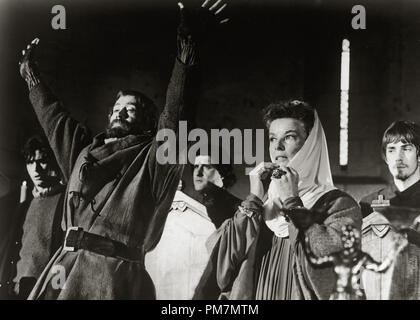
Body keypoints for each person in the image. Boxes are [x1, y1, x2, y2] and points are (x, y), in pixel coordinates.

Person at [18, 0, 229, 300]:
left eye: (129, 110)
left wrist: (187, 47)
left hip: (115, 281)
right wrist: (32, 78)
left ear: (146, 122)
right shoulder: (83, 152)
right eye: (116, 109)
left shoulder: (153, 160)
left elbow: (177, 113)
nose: (119, 114)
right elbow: (55, 120)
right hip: (62, 274)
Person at [195, 100, 362, 300]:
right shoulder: (263, 203)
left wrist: (292, 202)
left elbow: (331, 268)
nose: (278, 147)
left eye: (289, 137)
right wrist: (254, 198)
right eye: (273, 139)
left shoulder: (339, 204)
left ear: (310, 144)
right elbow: (223, 261)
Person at [145, 151, 240, 299]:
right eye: (196, 167)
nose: (198, 172)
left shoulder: (234, 209)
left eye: (206, 166)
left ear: (222, 174)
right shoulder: (206, 205)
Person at [360, 120, 420, 300]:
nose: (398, 157)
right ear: (385, 157)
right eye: (391, 150)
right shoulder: (368, 203)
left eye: (406, 148)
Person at [0, 135, 65, 299]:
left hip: (49, 291)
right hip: (16, 290)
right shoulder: (22, 203)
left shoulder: (66, 200)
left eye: (41, 161)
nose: (35, 170)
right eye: (30, 162)